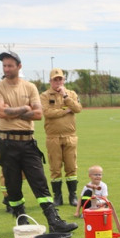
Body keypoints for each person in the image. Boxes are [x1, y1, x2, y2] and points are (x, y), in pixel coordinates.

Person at [0, 51, 76, 233]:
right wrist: (25, 108)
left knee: (39, 181)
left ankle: (54, 220)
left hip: (28, 142)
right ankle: (21, 219)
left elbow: (38, 114)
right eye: (4, 65)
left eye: (10, 65)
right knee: (12, 184)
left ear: (19, 67)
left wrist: (13, 110)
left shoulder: (30, 87)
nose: (6, 68)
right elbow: (1, 113)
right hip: (7, 142)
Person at [41, 68, 83, 208]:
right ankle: (57, 197)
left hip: (70, 136)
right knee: (55, 168)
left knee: (71, 167)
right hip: (53, 137)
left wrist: (66, 97)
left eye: (60, 79)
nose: (58, 82)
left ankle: (73, 196)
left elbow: (78, 109)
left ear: (64, 80)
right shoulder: (45, 95)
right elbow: (47, 113)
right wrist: (65, 111)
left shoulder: (71, 94)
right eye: (55, 79)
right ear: (50, 81)